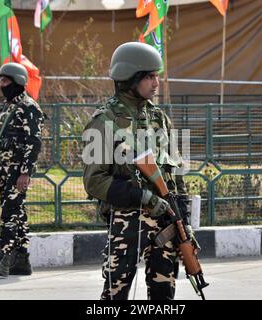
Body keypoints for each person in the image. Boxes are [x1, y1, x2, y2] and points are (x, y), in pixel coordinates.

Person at [82, 42, 197, 300]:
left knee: (163, 294)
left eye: (156, 75)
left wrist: (184, 224)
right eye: (149, 76)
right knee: (115, 295)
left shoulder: (160, 119)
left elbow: (175, 175)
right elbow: (94, 181)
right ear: (129, 78)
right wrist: (144, 198)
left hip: (166, 222)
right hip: (127, 224)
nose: (156, 83)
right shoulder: (102, 122)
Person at [0, 62, 46, 277]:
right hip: (2, 170)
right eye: (0, 80)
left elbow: (34, 142)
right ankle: (22, 261)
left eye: (5, 81)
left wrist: (25, 172)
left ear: (18, 81)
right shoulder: (8, 106)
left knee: (10, 213)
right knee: (17, 212)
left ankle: (5, 259)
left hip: (16, 171)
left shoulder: (28, 107)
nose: (1, 85)